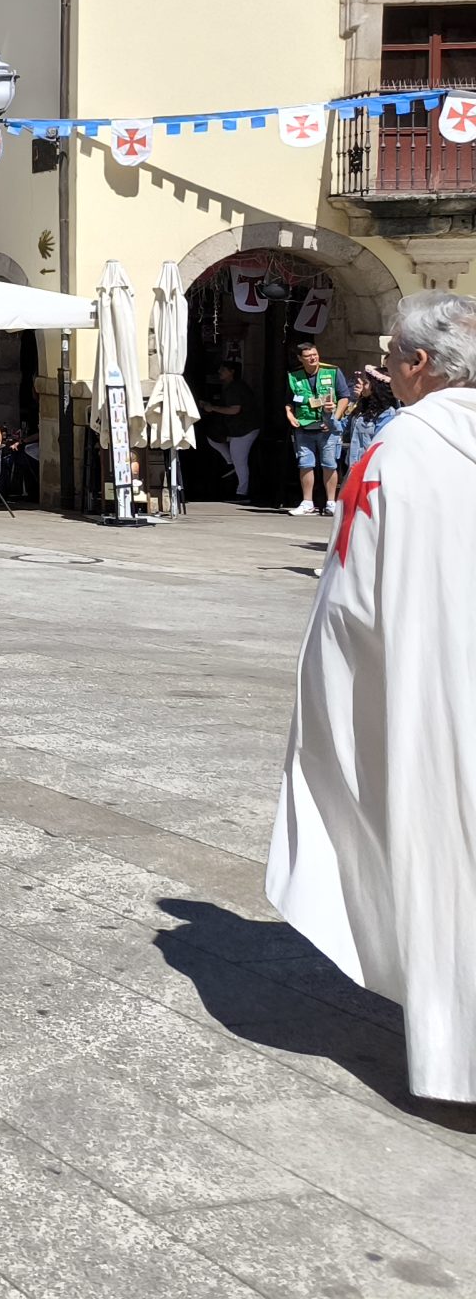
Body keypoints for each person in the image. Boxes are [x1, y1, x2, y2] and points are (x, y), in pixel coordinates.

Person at [268, 292, 476, 1103]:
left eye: (392, 355)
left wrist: (338, 685)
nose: (383, 367)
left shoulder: (399, 447)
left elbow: (350, 595)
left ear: (419, 365)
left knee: (445, 848)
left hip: (432, 685)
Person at [285, 340, 348, 516]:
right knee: (305, 464)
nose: (313, 359)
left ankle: (330, 502)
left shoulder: (332, 371)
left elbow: (344, 396)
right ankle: (307, 502)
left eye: (315, 355)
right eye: (308, 356)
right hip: (304, 426)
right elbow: (289, 400)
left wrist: (334, 419)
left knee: (329, 464)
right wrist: (289, 414)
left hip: (327, 427)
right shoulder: (294, 375)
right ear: (300, 358)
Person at [197, 357, 261, 499]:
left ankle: (242, 492)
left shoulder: (235, 388)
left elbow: (234, 410)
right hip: (236, 428)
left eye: (223, 369)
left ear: (231, 372)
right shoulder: (230, 386)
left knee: (240, 459)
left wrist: (212, 408)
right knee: (213, 438)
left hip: (244, 429)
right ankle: (230, 462)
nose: (220, 371)